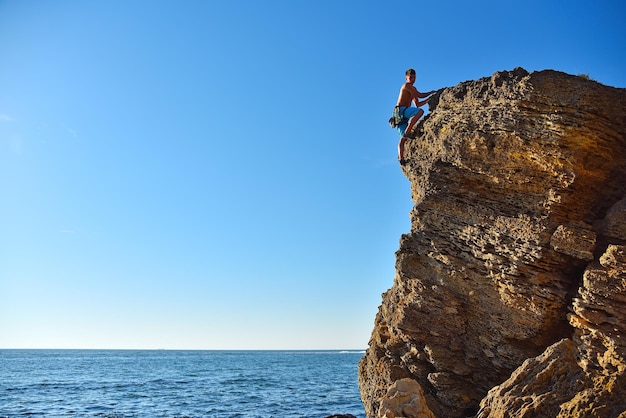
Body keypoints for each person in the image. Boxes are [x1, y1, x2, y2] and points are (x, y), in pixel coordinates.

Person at [395, 68, 436, 164]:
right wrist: (430, 93)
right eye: (410, 77)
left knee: (403, 139)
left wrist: (428, 100)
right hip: (401, 111)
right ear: (406, 78)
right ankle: (407, 132)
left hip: (403, 114)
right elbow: (420, 95)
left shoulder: (413, 89)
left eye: (414, 77)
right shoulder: (407, 86)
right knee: (420, 112)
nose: (412, 79)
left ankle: (402, 159)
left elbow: (417, 104)